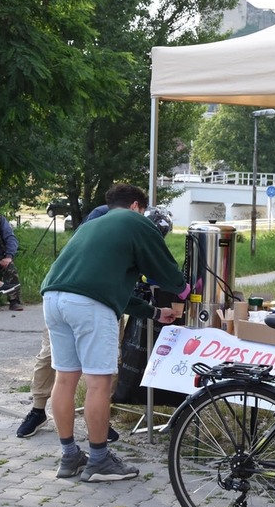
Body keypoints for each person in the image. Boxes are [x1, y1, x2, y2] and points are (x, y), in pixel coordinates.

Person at [42, 183, 188, 482]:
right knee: (99, 383)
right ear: (136, 206)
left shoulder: (94, 225)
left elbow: (107, 288)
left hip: (53, 298)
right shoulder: (136, 220)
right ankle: (99, 460)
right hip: (87, 305)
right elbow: (167, 270)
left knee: (65, 378)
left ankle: (69, 457)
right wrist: (186, 290)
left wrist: (155, 313)